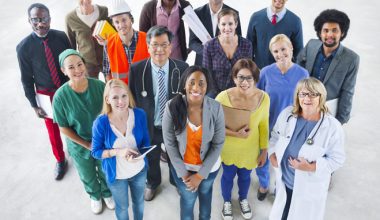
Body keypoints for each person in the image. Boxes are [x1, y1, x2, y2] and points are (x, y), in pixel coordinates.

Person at [268, 77, 345, 220]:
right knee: (281, 214)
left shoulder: (332, 127)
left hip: (308, 189)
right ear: (297, 96)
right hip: (284, 181)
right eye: (302, 94)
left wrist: (311, 167)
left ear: (321, 97)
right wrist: (272, 153)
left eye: (313, 94)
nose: (307, 98)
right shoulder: (287, 115)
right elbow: (275, 136)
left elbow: (337, 159)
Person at [129, 25, 189, 201]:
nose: (160, 50)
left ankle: (175, 180)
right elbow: (133, 100)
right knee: (152, 157)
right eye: (155, 45)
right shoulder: (137, 69)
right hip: (150, 125)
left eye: (164, 44)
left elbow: (187, 100)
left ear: (171, 47)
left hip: (173, 125)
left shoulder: (183, 67)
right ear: (148, 47)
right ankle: (153, 182)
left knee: (174, 156)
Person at [52, 49, 115, 214]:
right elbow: (63, 127)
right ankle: (95, 196)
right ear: (64, 71)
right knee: (87, 173)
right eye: (71, 67)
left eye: (80, 64)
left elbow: (110, 111)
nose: (77, 70)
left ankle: (107, 192)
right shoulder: (60, 97)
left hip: (102, 140)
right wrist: (87, 144)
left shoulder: (99, 86)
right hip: (79, 144)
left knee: (104, 168)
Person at [162, 66, 225, 220]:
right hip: (183, 168)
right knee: (188, 200)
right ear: (184, 84)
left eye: (201, 83)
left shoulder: (216, 108)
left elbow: (218, 143)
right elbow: (169, 144)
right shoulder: (172, 106)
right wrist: (184, 174)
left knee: (205, 194)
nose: (196, 87)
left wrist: (201, 175)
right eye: (192, 82)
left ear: (207, 87)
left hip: (208, 168)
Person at [16, 3, 70, 180]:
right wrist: (34, 104)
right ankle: (60, 160)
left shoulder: (61, 37)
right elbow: (26, 79)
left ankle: (81, 152)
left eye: (44, 19)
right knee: (53, 131)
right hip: (45, 94)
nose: (40, 24)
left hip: (67, 89)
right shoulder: (24, 47)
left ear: (49, 19)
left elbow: (71, 61)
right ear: (29, 21)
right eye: (36, 20)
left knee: (74, 123)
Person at [215, 59, 269, 220]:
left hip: (250, 150)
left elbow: (264, 126)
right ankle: (226, 202)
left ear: (255, 79)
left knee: (245, 177)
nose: (244, 82)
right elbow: (214, 127)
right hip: (228, 148)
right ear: (234, 78)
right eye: (240, 77)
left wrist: (264, 150)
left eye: (249, 78)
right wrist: (236, 134)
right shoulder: (222, 97)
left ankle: (243, 199)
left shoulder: (264, 98)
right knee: (227, 176)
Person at [92, 79, 150, 220]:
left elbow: (146, 142)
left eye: (124, 96)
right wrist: (118, 152)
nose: (121, 101)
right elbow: (95, 152)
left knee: (139, 203)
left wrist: (139, 155)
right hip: (117, 176)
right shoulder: (101, 123)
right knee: (122, 208)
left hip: (139, 171)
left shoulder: (139, 114)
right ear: (107, 99)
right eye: (115, 97)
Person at [297, 9, 359, 124]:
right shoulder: (311, 45)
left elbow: (347, 91)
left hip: (328, 111)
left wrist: (340, 121)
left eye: (334, 30)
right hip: (303, 106)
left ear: (342, 33)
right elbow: (297, 69)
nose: (330, 34)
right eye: (325, 30)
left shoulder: (351, 59)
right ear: (320, 33)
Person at [258, 34, 309, 131]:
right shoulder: (265, 72)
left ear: (291, 48)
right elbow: (255, 101)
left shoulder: (303, 74)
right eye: (276, 51)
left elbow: (305, 105)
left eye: (283, 49)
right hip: (268, 127)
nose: (280, 54)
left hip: (292, 128)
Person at [203, 8, 252, 97]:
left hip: (238, 91)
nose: (227, 28)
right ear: (218, 25)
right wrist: (220, 96)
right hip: (215, 92)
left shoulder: (246, 45)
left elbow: (247, 72)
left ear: (236, 24)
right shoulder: (209, 46)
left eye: (230, 24)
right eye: (223, 24)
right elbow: (207, 74)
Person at [103, 0, 150, 84]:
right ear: (113, 24)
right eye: (117, 22)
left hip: (144, 89)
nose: (121, 25)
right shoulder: (109, 44)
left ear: (131, 19)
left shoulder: (147, 39)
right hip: (121, 92)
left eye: (124, 20)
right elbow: (107, 73)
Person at [247, 0, 303, 69]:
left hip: (283, 73)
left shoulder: (295, 21)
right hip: (259, 71)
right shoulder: (256, 17)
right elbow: (249, 47)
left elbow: (299, 52)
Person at [189, 0, 242, 66]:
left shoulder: (234, 13)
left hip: (226, 65)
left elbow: (238, 41)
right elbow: (192, 43)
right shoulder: (197, 13)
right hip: (202, 65)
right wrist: (208, 51)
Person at [65, 0, 110, 78]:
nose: (85, 1)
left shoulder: (104, 11)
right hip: (87, 63)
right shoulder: (70, 18)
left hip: (107, 59)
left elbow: (115, 36)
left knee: (111, 86)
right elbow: (71, 46)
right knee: (92, 88)